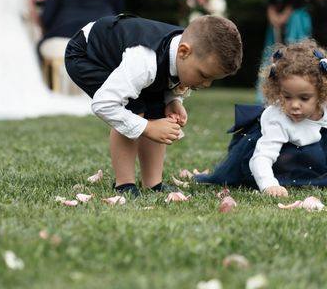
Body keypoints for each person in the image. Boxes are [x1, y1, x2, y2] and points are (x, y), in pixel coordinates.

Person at [65, 14, 243, 197]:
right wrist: (148, 127)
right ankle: (124, 183)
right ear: (183, 52)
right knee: (133, 106)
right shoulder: (144, 61)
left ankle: (153, 182)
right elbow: (104, 104)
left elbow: (168, 76)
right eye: (204, 75)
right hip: (88, 55)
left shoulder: (188, 50)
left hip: (127, 63)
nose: (206, 84)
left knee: (157, 106)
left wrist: (172, 100)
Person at [197, 40, 327, 196]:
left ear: (322, 94)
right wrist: (269, 185)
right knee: (271, 161)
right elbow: (261, 157)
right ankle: (287, 177)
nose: (294, 105)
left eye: (304, 98)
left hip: (312, 152)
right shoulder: (278, 118)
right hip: (284, 159)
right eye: (287, 96)